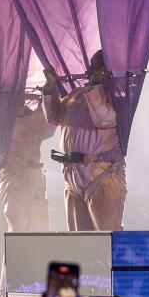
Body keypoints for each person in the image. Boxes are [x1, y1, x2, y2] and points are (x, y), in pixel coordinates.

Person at [44, 51, 127, 231]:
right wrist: (51, 88)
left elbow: (103, 118)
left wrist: (96, 87)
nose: (89, 72)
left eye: (96, 68)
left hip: (102, 176)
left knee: (107, 241)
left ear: (108, 72)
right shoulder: (77, 94)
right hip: (73, 178)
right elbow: (54, 117)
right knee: (79, 245)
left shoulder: (116, 97)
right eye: (91, 67)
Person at [0, 90, 57, 233]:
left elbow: (50, 125)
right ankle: (20, 254)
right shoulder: (3, 121)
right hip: (14, 175)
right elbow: (23, 130)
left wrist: (49, 94)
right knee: (19, 226)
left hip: (33, 175)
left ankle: (39, 254)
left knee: (40, 226)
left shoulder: (32, 119)